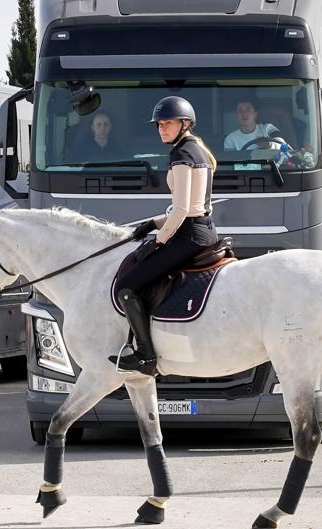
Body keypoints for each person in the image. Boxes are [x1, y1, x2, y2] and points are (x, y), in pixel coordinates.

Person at [109, 96, 219, 376]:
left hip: (188, 236)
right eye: (159, 124)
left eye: (168, 123)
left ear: (185, 124)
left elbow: (181, 210)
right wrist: (153, 223)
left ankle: (146, 356)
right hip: (203, 230)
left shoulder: (181, 155)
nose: (162, 129)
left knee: (127, 286)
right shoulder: (198, 150)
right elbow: (193, 206)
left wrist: (156, 242)